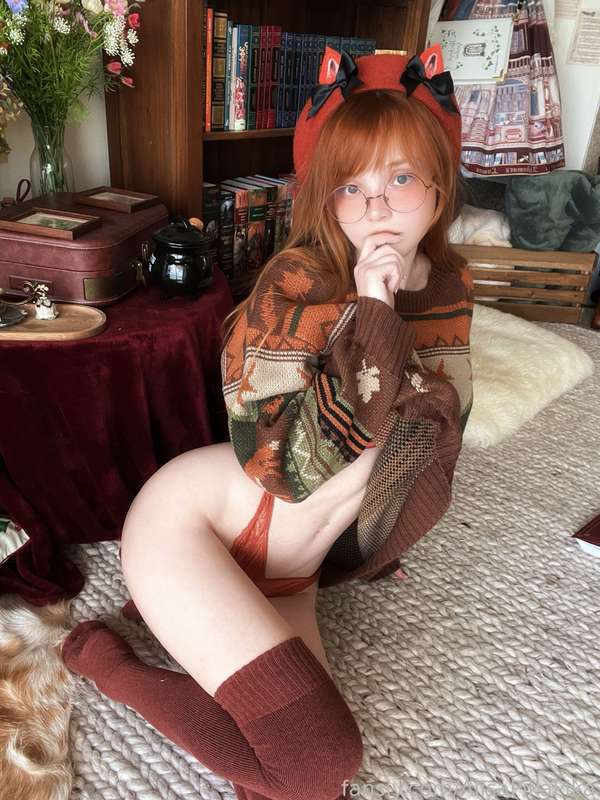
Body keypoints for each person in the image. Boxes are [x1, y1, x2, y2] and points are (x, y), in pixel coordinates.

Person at [59, 49, 474, 800]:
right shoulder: (294, 284)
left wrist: (378, 540)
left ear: (441, 181)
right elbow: (286, 472)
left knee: (305, 787)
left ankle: (183, 630)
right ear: (326, 195)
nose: (375, 207)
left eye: (401, 178)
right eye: (350, 185)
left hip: (292, 574)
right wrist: (372, 316)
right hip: (195, 527)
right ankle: (114, 668)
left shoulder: (449, 288)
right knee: (316, 759)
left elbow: (435, 434)